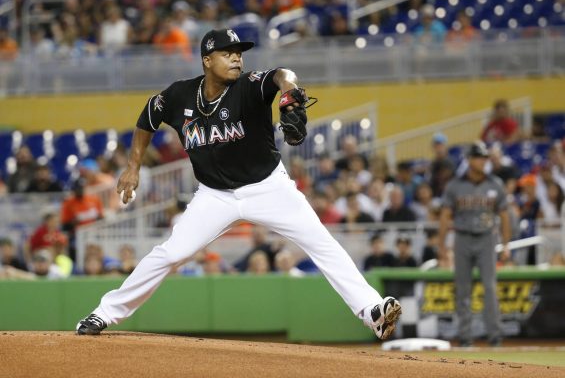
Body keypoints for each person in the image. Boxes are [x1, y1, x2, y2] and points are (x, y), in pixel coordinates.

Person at [76, 28, 401, 339]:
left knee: (321, 243)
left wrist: (288, 93)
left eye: (239, 53)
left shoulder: (249, 86)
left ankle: (371, 310)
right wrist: (132, 166)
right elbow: (149, 114)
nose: (236, 58)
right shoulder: (180, 95)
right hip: (214, 196)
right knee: (170, 254)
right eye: (227, 53)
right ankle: (105, 313)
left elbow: (282, 74)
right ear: (206, 60)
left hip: (269, 188)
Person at [438, 140, 511, 347]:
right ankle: (465, 336)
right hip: (462, 238)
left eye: (484, 157)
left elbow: (504, 216)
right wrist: (441, 245)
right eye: (479, 157)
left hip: (487, 238)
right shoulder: (455, 185)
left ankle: (494, 335)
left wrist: (506, 244)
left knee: (489, 287)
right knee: (462, 289)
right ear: (469, 160)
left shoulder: (495, 183)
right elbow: (445, 216)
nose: (483, 161)